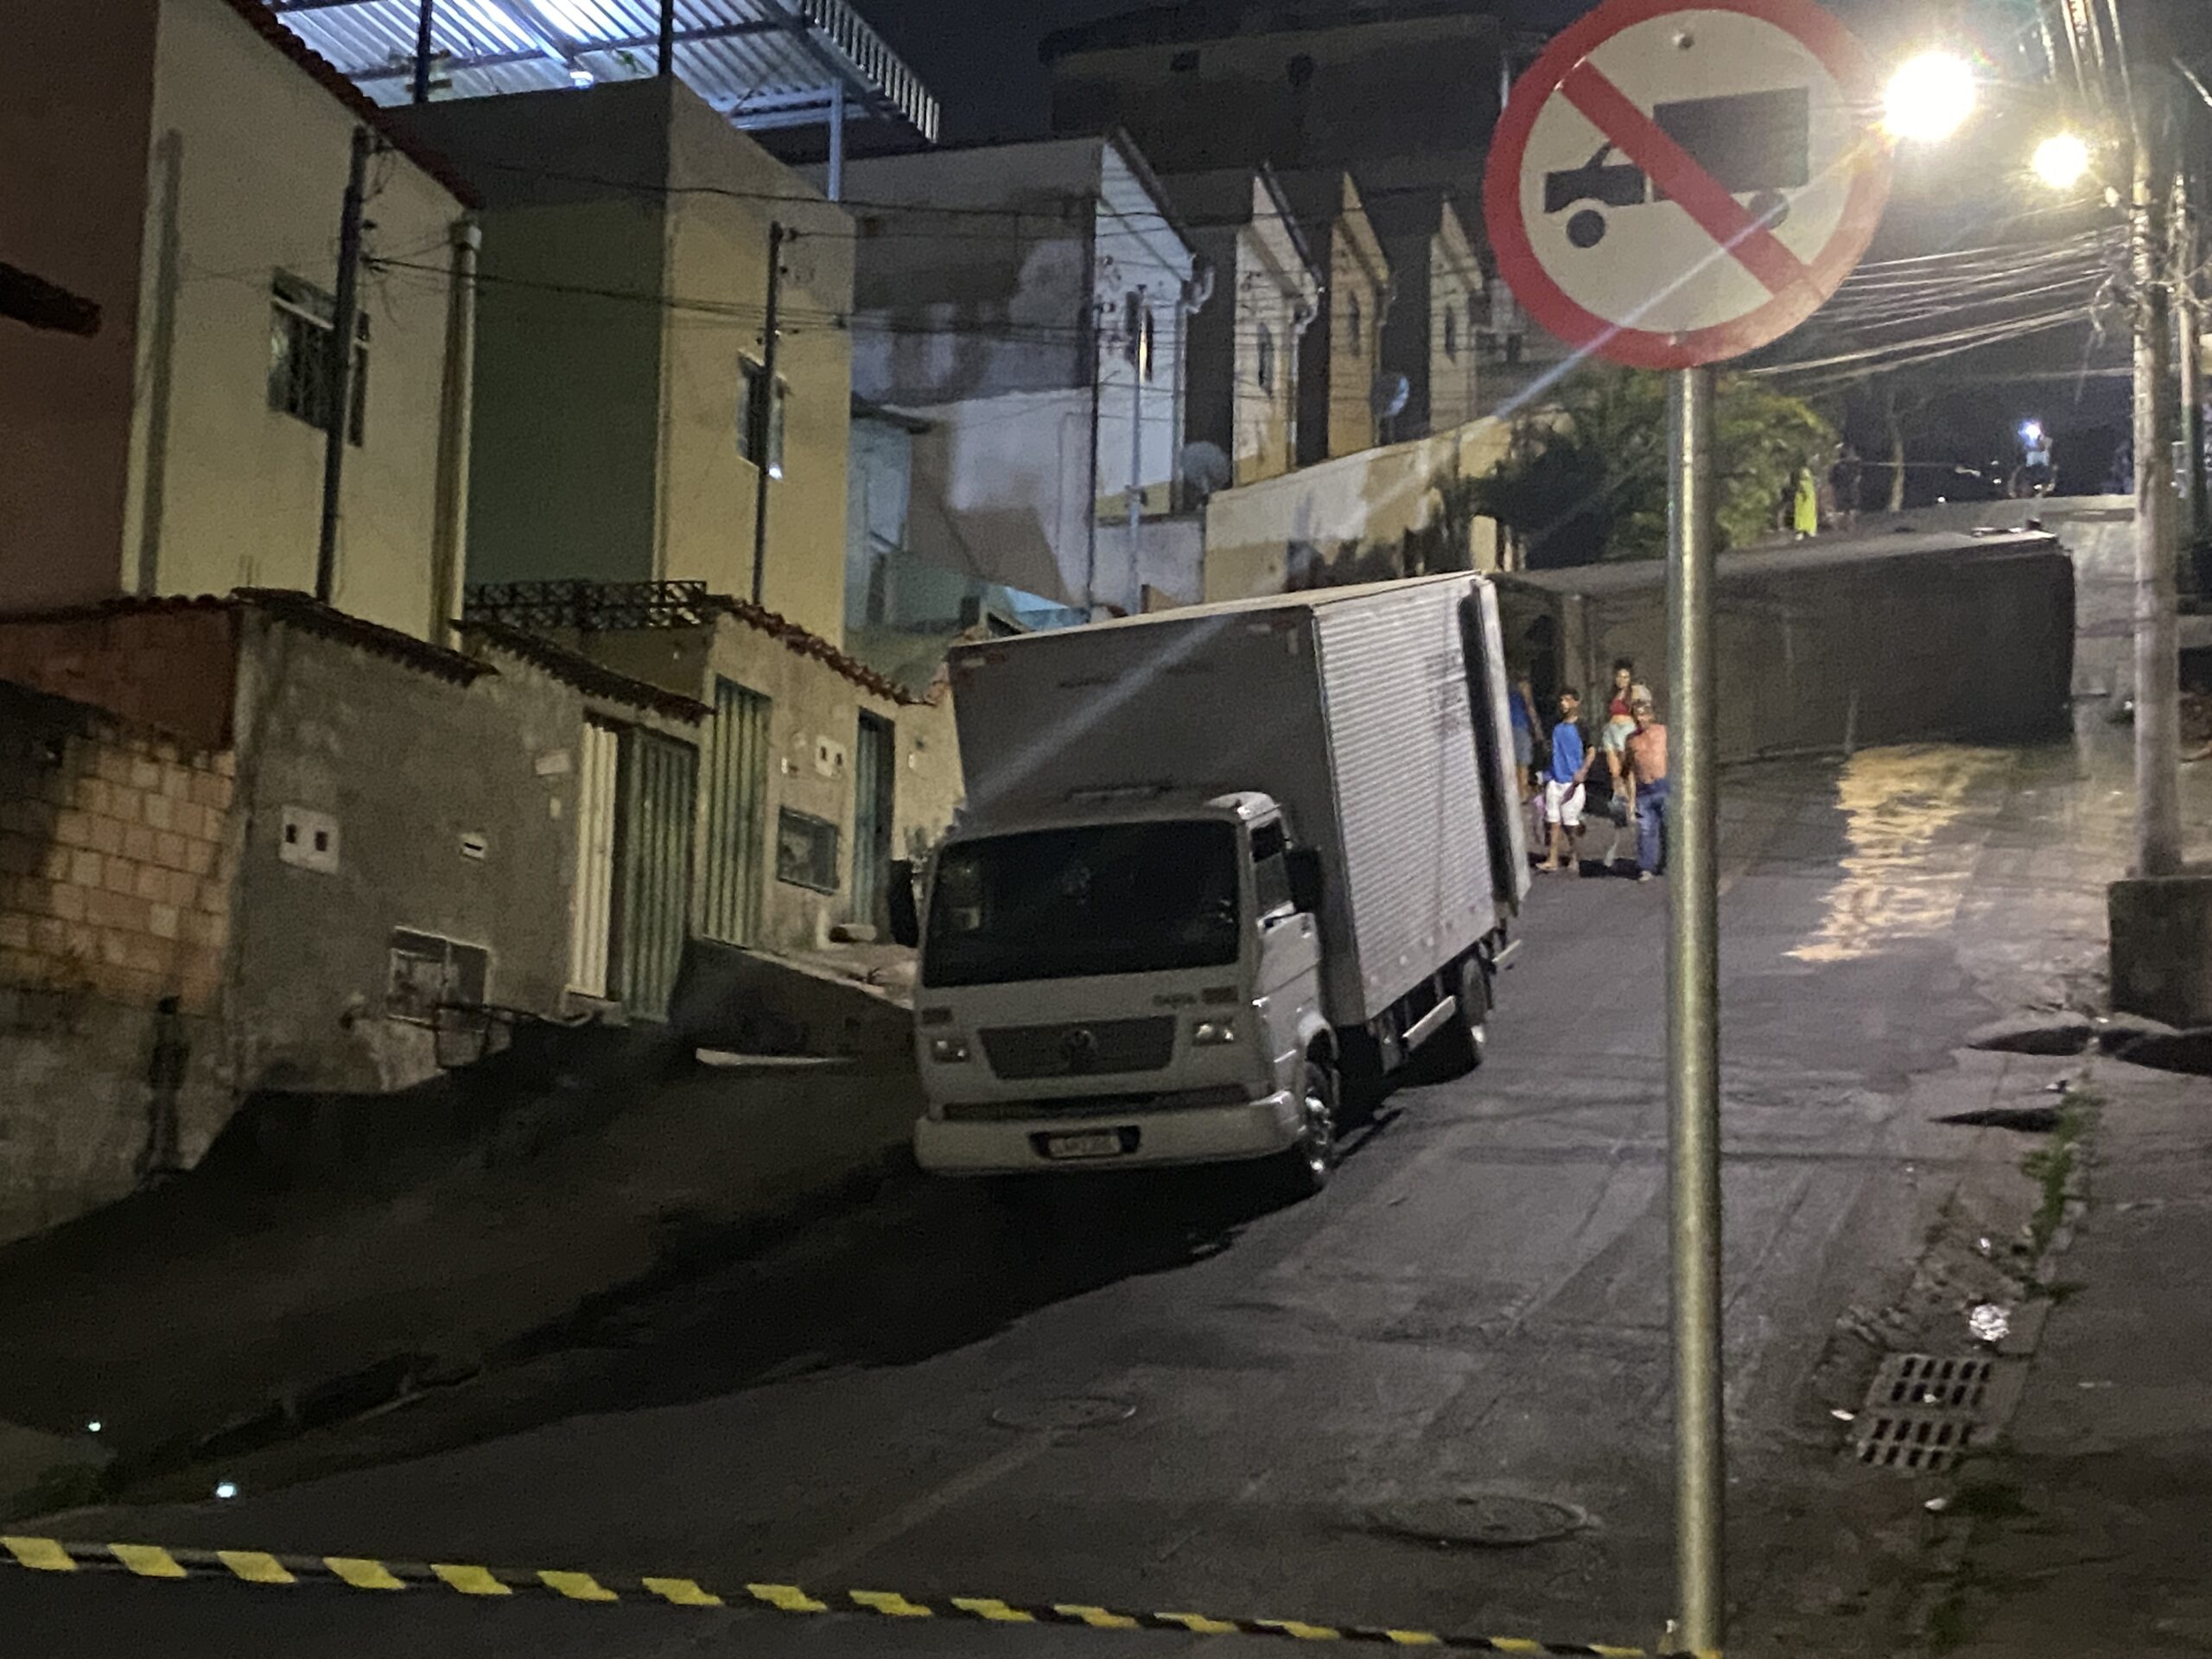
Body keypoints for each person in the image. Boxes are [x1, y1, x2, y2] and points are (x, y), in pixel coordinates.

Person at [1538, 687, 1590, 874]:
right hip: (1554, 778)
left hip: (1572, 781)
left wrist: (1583, 770)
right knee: (1553, 821)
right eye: (1561, 700)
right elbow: (1550, 749)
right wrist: (1543, 774)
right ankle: (1552, 859)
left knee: (1570, 823)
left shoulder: (1582, 726)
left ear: (1576, 702)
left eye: (1568, 700)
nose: (1563, 704)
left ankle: (1574, 855)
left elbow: (1590, 750)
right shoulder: (1555, 725)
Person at [1623, 693, 1669, 882]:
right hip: (1644, 789)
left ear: (1651, 716)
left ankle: (1668, 862)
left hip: (1664, 785)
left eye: (1644, 715)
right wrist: (1631, 800)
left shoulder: (1663, 732)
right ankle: (1646, 867)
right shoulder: (1631, 740)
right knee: (1646, 829)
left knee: (1669, 827)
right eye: (1637, 716)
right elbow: (1630, 771)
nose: (1641, 719)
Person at [1598, 660, 1637, 871]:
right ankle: (1618, 800)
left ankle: (1631, 803)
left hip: (1625, 729)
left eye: (1625, 676)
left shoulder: (1634, 694)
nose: (1621, 680)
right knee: (1615, 772)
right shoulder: (1611, 694)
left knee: (1626, 768)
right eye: (1619, 676)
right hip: (1611, 729)